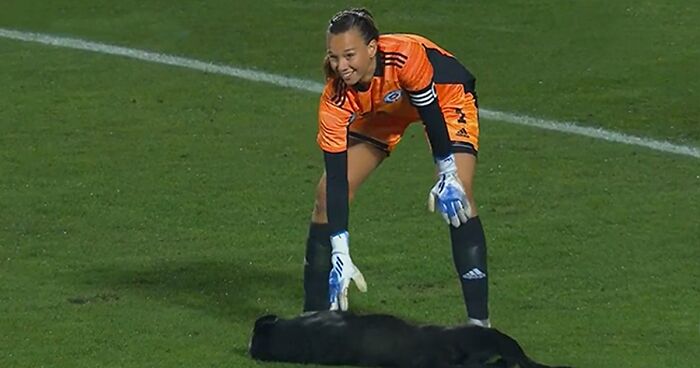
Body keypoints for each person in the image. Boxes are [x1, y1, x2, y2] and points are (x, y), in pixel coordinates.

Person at [303, 8, 490, 328]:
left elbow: (429, 110)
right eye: (334, 57)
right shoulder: (335, 100)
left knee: (460, 196)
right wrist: (341, 251)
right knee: (324, 196)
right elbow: (336, 179)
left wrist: (447, 172)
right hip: (384, 109)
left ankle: (479, 325)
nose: (341, 66)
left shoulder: (404, 56)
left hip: (443, 97)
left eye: (349, 55)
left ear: (372, 48)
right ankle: (314, 318)